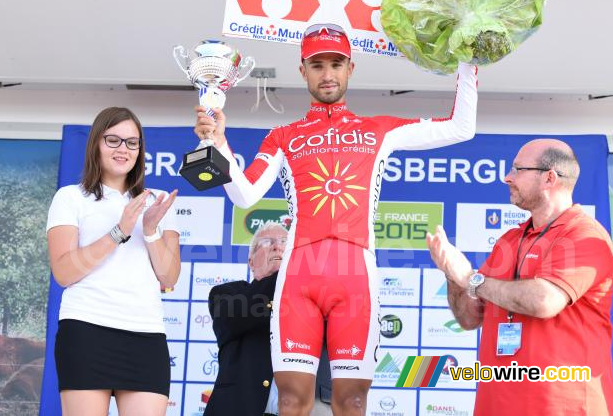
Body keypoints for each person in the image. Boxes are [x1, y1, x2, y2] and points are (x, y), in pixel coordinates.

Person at [195, 23, 477, 415]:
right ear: (303, 71)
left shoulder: (379, 129)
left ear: (350, 69)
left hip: (355, 275)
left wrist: (467, 60)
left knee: (352, 401)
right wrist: (219, 143)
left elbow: (462, 128)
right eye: (317, 65)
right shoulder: (283, 136)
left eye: (336, 64)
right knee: (292, 401)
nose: (327, 74)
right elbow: (245, 194)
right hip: (298, 279)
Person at [427, 138, 613, 416]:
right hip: (498, 406)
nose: (507, 178)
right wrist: (452, 273)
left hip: (563, 407)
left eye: (518, 169)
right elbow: (469, 318)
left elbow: (544, 301)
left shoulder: (585, 234)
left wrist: (470, 278)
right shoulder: (510, 239)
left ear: (549, 178)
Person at [46, 106, 180, 416]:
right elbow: (64, 273)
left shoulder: (157, 202)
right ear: (96, 143)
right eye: (114, 140)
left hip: (146, 334)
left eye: (132, 142)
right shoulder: (71, 197)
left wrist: (149, 231)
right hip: (86, 330)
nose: (124, 149)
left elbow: (170, 277)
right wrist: (119, 231)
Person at [206, 222, 332, 416]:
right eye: (267, 242)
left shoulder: (322, 293)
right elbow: (240, 315)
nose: (277, 246)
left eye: (285, 242)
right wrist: (292, 269)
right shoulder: (228, 293)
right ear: (251, 261)